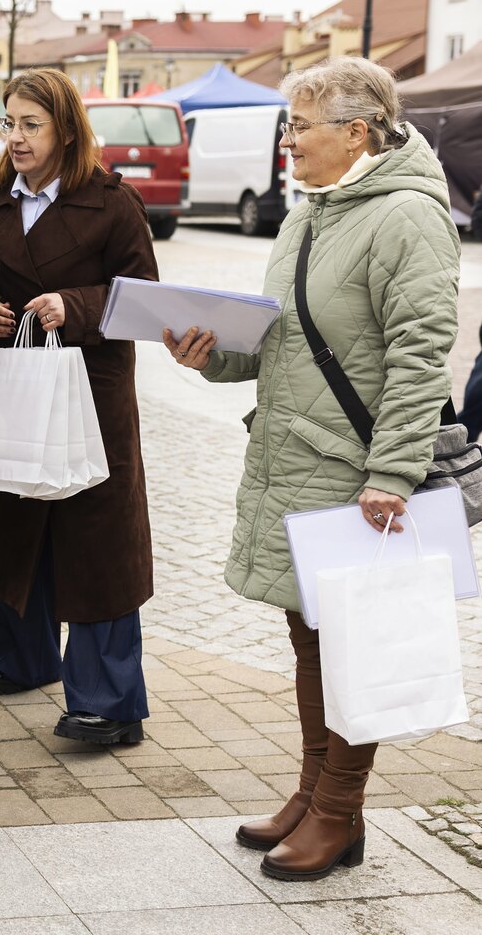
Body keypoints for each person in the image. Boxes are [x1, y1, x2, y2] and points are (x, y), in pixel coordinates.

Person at [167, 57, 459, 881]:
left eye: (299, 127)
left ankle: (340, 812)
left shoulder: (407, 216)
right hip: (295, 456)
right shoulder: (308, 215)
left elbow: (420, 356)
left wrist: (392, 474)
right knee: (310, 638)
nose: (288, 142)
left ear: (357, 132)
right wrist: (211, 354)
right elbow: (284, 338)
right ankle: (311, 794)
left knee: (352, 643)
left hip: (356, 472)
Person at [0, 68, 159, 747]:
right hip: (18, 379)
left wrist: (73, 305)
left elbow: (144, 297)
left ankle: (109, 704)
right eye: (9, 123)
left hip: (92, 390)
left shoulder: (112, 202)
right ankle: (22, 659)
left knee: (95, 537)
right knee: (15, 515)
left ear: (67, 130)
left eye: (32, 125)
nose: (16, 138)